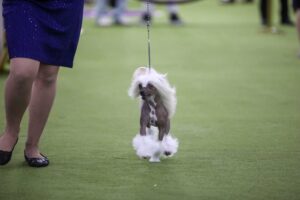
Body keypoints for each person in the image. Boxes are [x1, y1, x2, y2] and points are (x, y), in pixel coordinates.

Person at [0, 0, 84, 167]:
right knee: (22, 72)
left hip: (66, 5)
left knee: (48, 74)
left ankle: (33, 145)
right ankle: (11, 132)